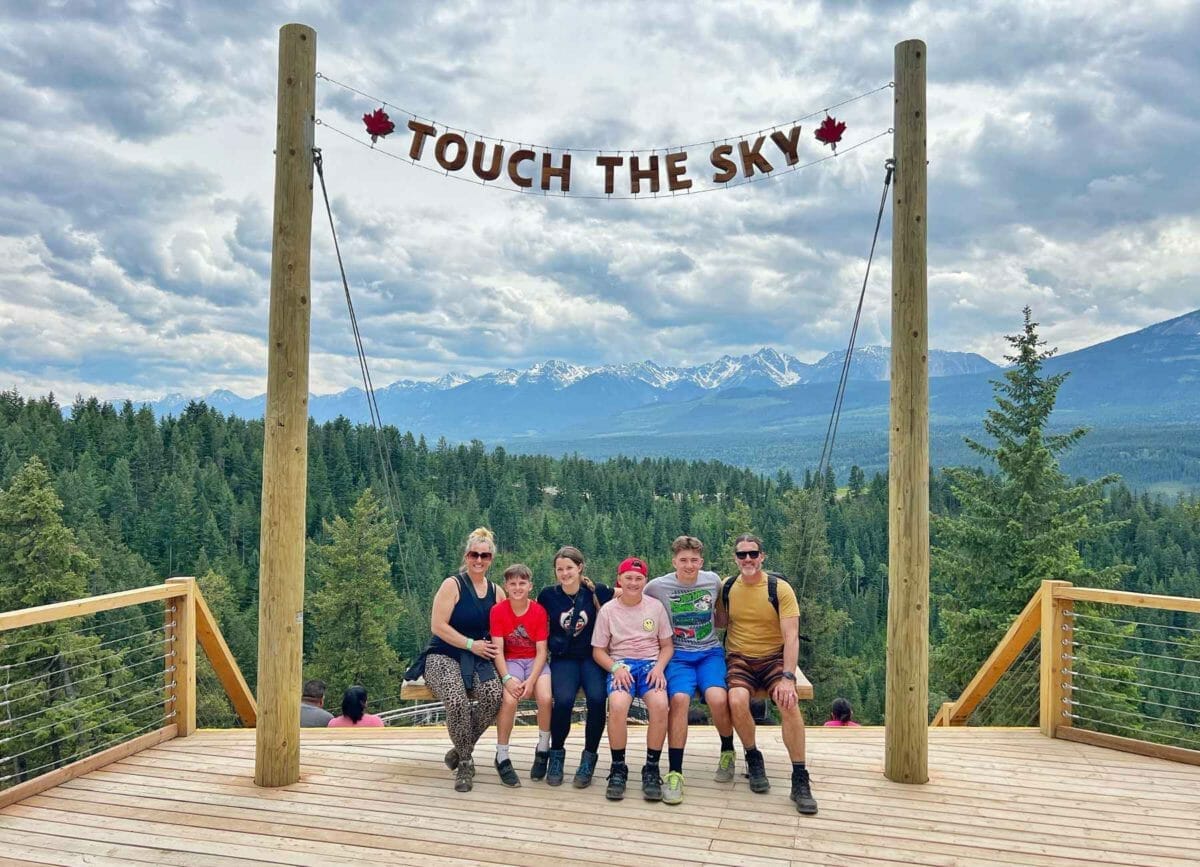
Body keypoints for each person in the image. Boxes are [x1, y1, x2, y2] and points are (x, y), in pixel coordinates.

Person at [716, 533, 818, 815]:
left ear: (762, 556)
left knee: (789, 702)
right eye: (741, 555)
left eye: (753, 553)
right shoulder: (727, 587)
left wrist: (788, 677)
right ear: (735, 558)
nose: (747, 559)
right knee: (736, 700)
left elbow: (792, 636)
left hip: (774, 656)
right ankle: (752, 756)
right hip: (739, 657)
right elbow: (720, 622)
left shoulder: (779, 588)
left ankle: (800, 777)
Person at [644, 535, 735, 805]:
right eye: (683, 560)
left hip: (709, 652)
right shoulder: (657, 586)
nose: (689, 565)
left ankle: (728, 749)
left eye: (694, 560)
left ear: (701, 561)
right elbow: (631, 597)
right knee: (679, 700)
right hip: (677, 654)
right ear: (674, 561)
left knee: (718, 698)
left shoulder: (713, 581)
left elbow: (721, 615)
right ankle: (675, 771)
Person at [424, 527, 506, 792]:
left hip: (479, 657)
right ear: (466, 555)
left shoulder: (497, 592)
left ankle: (460, 748)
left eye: (485, 556)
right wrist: (471, 644)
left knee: (494, 695)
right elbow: (438, 625)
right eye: (474, 554)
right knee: (456, 700)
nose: (479, 560)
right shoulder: (453, 585)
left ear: (491, 558)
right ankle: (466, 763)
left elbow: (503, 628)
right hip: (443, 654)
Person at [592, 556, 673, 802]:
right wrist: (615, 668)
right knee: (617, 705)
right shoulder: (608, 610)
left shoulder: (655, 607)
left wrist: (659, 668)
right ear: (619, 579)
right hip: (622, 664)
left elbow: (667, 645)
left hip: (650, 664)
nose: (633, 583)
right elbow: (598, 650)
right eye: (628, 578)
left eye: (638, 578)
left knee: (660, 705)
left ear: (645, 581)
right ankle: (618, 767)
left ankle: (651, 767)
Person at [536, 546, 614, 788]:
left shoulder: (598, 591)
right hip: (563, 657)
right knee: (564, 700)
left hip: (592, 656)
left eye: (569, 568)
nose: (564, 573)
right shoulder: (548, 595)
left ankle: (588, 758)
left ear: (580, 567)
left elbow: (628, 594)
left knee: (598, 699)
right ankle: (556, 755)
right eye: (560, 569)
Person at [490, 563, 552, 787]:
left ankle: (543, 747)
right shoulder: (498, 611)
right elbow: (497, 648)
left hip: (535, 662)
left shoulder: (537, 611)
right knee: (509, 699)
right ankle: (502, 754)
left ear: (530, 586)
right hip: (511, 661)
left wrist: (532, 680)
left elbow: (542, 650)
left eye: (522, 583)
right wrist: (506, 678)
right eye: (513, 583)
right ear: (506, 586)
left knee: (545, 698)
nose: (517, 588)